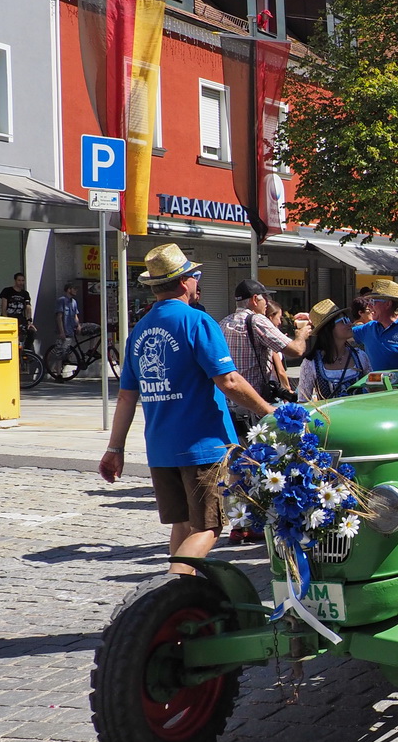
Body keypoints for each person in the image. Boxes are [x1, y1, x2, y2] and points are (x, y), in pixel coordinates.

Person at [100, 245, 273, 576]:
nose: (198, 282)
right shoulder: (198, 322)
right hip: (202, 445)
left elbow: (125, 398)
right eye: (196, 277)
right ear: (184, 283)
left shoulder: (139, 330)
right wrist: (268, 411)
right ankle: (171, 589)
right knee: (207, 528)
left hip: (161, 448)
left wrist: (114, 449)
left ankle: (183, 592)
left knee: (182, 524)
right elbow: (230, 381)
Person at [220, 280, 311, 435]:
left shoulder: (223, 323)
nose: (267, 304)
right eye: (265, 299)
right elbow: (296, 350)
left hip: (228, 404)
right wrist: (301, 335)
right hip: (254, 404)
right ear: (255, 299)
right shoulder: (257, 320)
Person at [297, 299, 372, 402]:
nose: (350, 324)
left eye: (348, 319)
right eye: (343, 321)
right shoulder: (311, 363)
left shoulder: (360, 356)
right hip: (329, 418)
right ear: (329, 329)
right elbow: (303, 401)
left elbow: (372, 390)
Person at [353, 279, 398, 370]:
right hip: (373, 384)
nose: (369, 306)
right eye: (369, 302)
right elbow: (340, 334)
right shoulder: (368, 328)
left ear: (388, 304)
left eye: (373, 302)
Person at [0, 271, 35, 351]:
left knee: (31, 332)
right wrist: (6, 320)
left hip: (20, 318)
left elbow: (28, 307)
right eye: (19, 280)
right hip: (9, 318)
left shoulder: (25, 294)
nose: (21, 282)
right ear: (15, 281)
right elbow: (3, 307)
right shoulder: (7, 291)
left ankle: (27, 351)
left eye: (22, 280)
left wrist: (29, 321)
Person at [56, 282, 82, 348]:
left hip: (71, 331)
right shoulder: (62, 300)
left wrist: (78, 325)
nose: (76, 291)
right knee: (62, 351)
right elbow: (59, 317)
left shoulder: (74, 302)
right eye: (74, 289)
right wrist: (62, 332)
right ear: (68, 290)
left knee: (69, 351)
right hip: (65, 331)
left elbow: (75, 315)